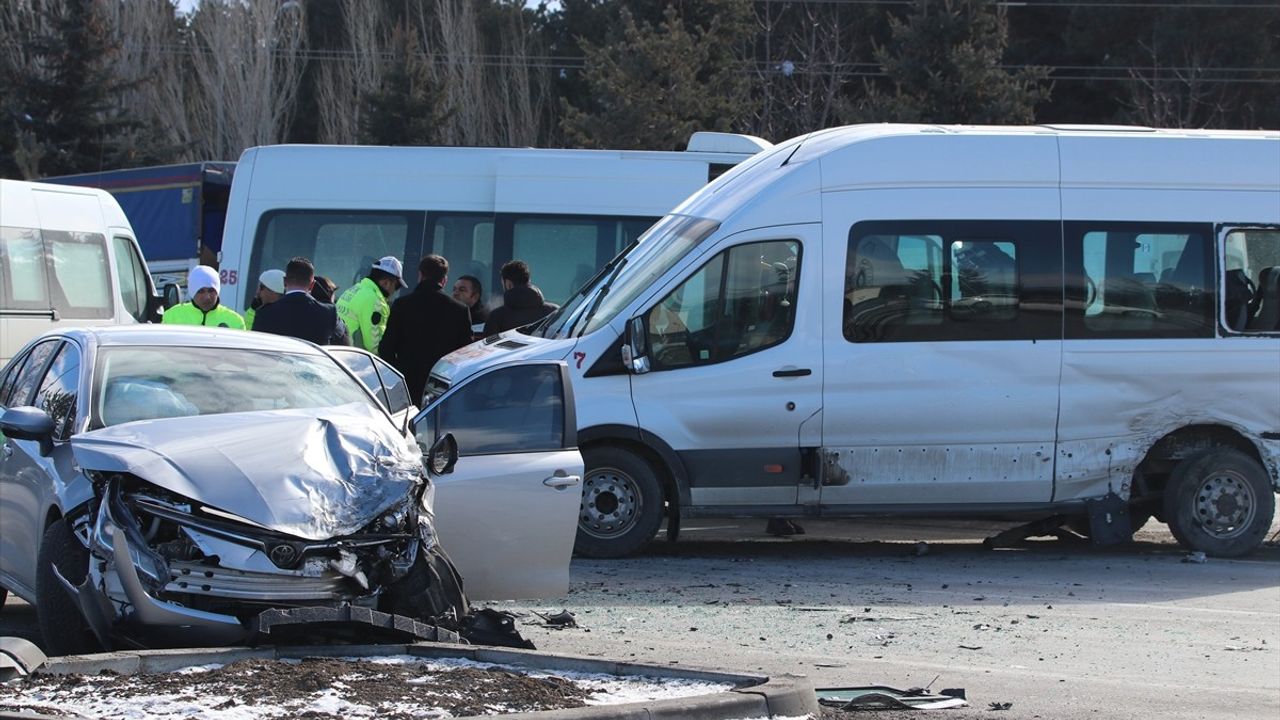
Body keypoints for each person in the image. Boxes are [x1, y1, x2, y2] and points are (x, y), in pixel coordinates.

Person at [380, 255, 473, 403]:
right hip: (443, 388)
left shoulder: (401, 305)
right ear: (444, 280)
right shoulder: (460, 310)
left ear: (420, 275)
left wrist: (399, 377)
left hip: (407, 386)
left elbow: (386, 349)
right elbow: (465, 355)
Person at [252, 257, 349, 345]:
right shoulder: (328, 312)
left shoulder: (264, 313)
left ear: (285, 282)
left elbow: (256, 350)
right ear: (312, 285)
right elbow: (341, 342)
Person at [338, 256, 406, 352]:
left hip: (336, 354)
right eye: (397, 286)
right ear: (386, 283)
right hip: (351, 359)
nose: (395, 291)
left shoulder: (354, 289)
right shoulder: (376, 302)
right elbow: (376, 347)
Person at [483, 260, 558, 336]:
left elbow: (486, 345)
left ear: (508, 284)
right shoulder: (554, 311)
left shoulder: (496, 317)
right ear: (529, 281)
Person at [161, 265, 245, 329]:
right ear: (192, 292)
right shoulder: (172, 317)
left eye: (211, 290)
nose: (207, 297)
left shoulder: (235, 322)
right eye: (201, 291)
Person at [452, 274, 488, 339]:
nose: (455, 293)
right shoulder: (448, 316)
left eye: (462, 290)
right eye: (454, 289)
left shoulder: (484, 325)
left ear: (475, 297)